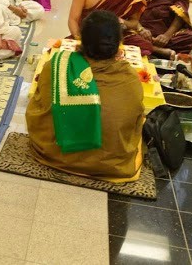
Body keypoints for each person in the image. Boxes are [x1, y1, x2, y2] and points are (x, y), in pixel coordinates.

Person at [26, 10, 145, 183]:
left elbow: (38, 106)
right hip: (110, 163)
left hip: (52, 152)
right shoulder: (129, 77)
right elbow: (134, 117)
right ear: (118, 43)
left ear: (80, 38)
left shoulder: (57, 64)